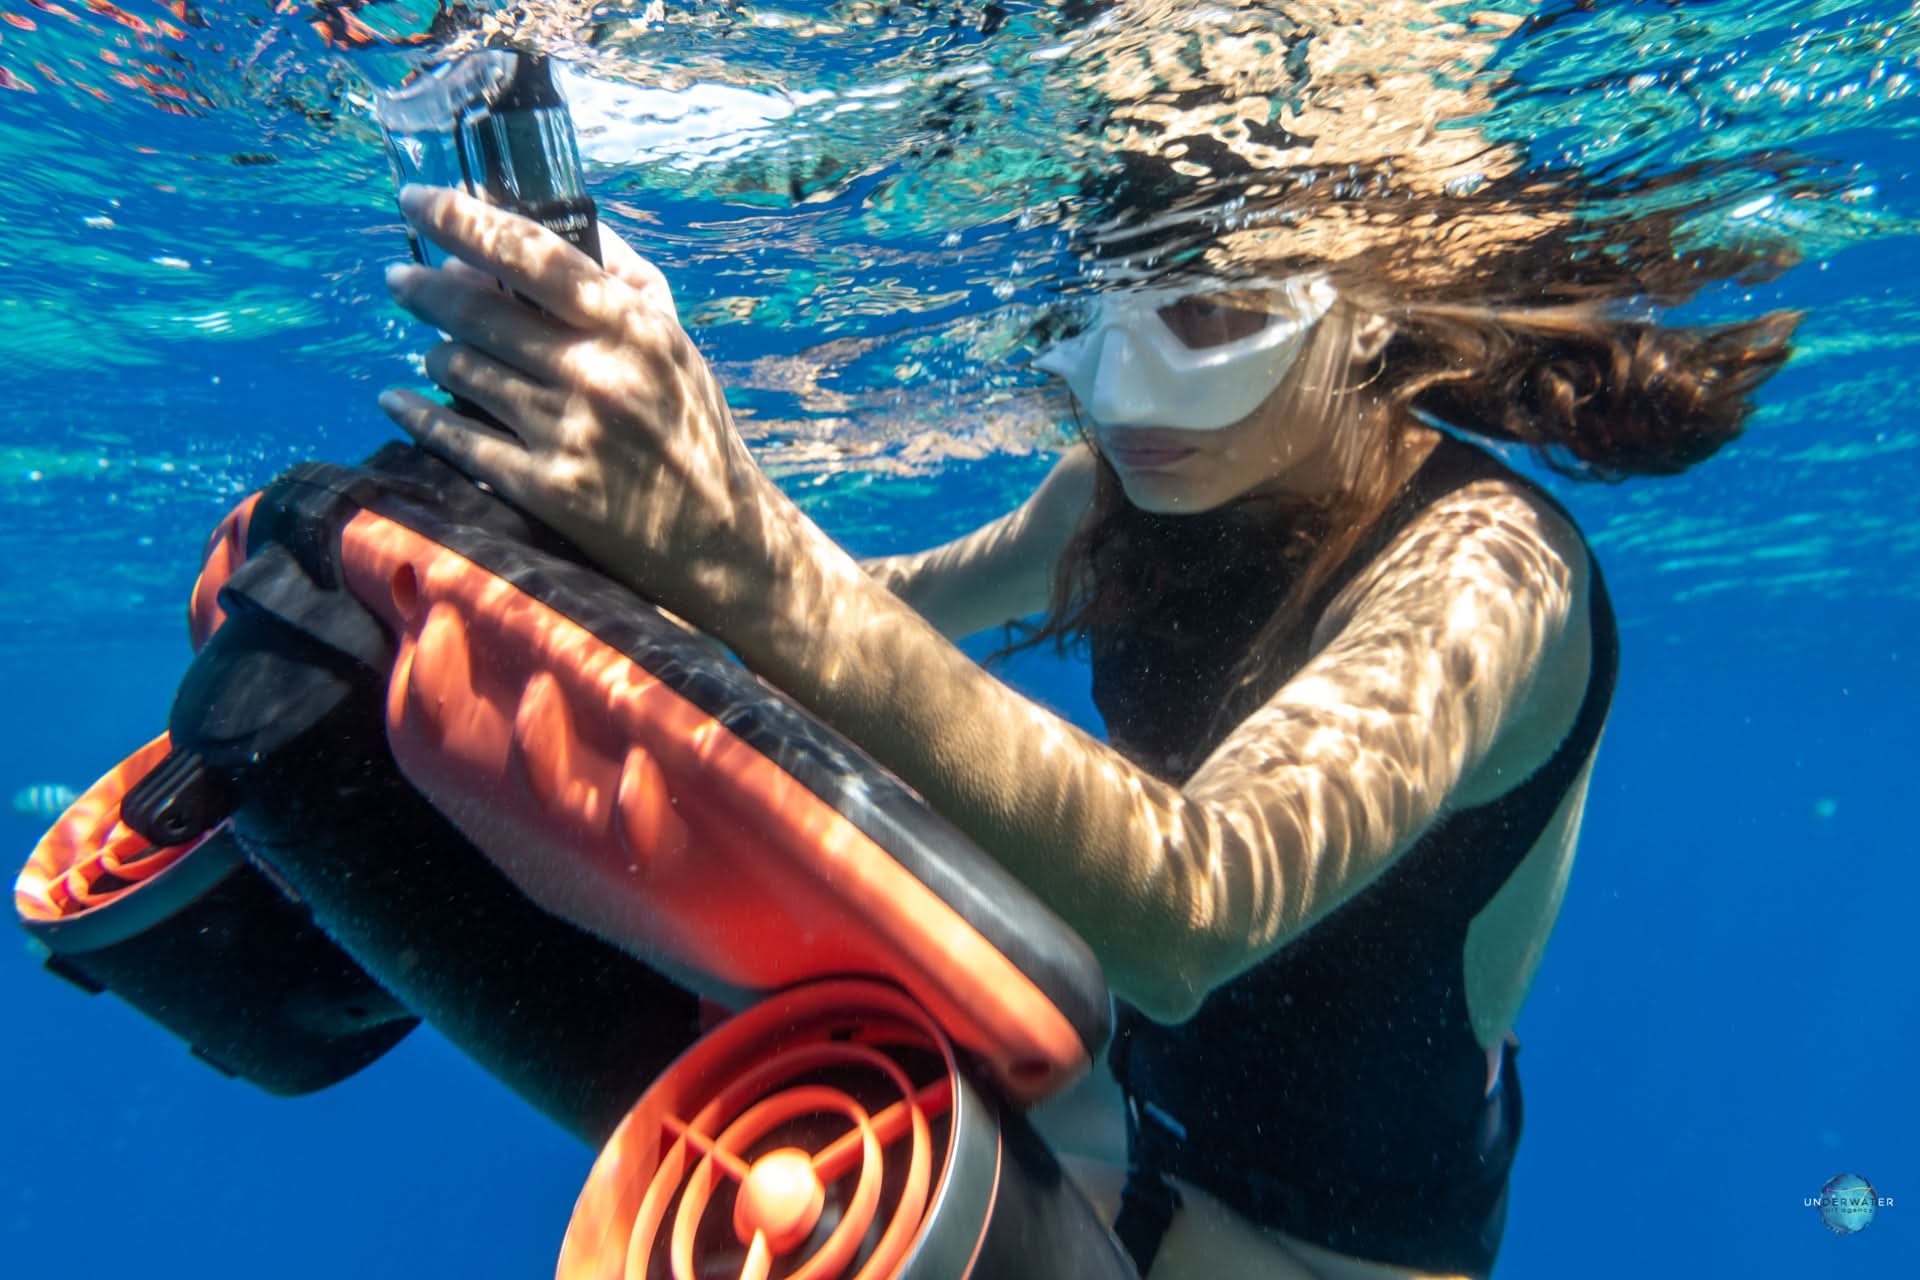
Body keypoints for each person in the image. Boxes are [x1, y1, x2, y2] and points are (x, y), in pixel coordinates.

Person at [375, 170, 1793, 1277]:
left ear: (1370, 309)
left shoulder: (1490, 567)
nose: (1121, 391)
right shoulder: (1128, 487)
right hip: (1106, 1129)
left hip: (1322, 1256)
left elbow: (1194, 907)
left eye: (1211, 316)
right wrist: (607, 559)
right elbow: (864, 617)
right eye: (1090, 317)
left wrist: (737, 546)